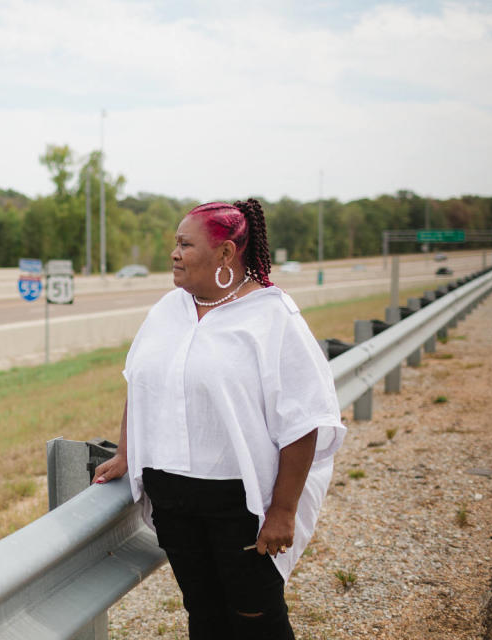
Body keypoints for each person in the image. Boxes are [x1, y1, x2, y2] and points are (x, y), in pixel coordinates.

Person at [92, 199, 345, 640]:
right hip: (171, 496)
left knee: (256, 615)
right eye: (175, 243)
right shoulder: (167, 310)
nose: (174, 253)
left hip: (239, 503)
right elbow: (141, 383)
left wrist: (283, 511)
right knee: (204, 612)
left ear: (226, 254)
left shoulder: (272, 316)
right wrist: (127, 452)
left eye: (185, 245)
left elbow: (304, 421)